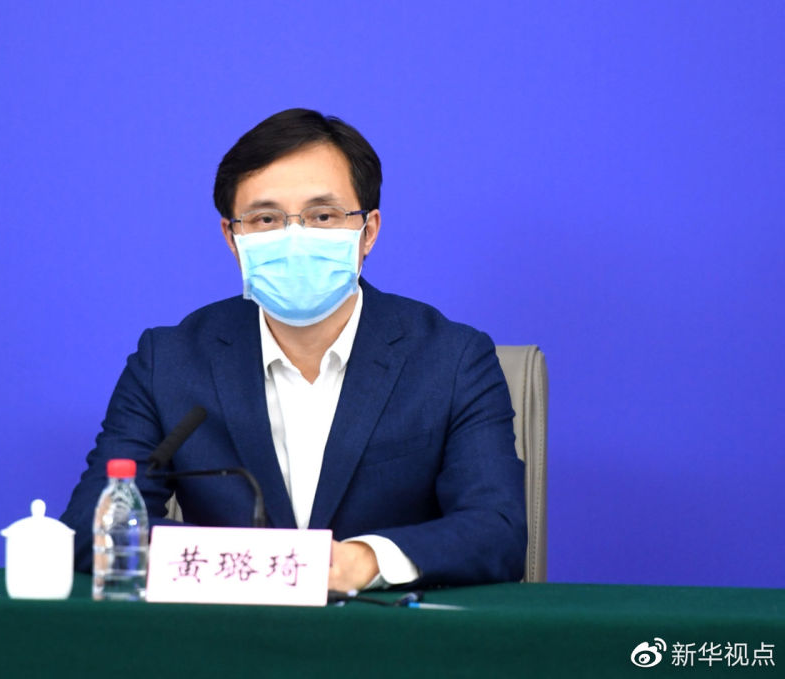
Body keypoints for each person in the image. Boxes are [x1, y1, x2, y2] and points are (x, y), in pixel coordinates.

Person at [61, 108, 526, 591]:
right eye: (266, 219)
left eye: (323, 216)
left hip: (387, 629)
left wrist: (367, 561)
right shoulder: (171, 361)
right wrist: (265, 565)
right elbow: (92, 528)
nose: (295, 238)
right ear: (232, 237)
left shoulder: (452, 360)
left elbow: (498, 531)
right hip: (227, 630)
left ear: (368, 232)